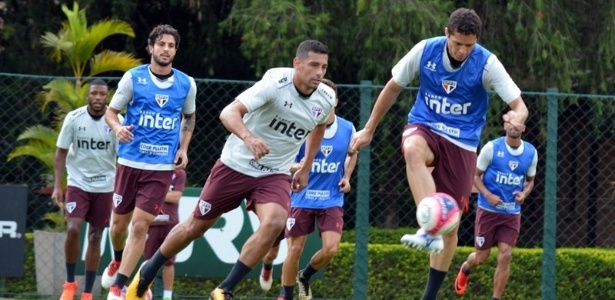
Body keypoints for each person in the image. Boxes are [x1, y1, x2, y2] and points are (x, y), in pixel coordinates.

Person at [127, 39, 335, 300]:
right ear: (297, 64)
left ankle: (225, 289)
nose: (319, 73)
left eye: (324, 67)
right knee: (195, 227)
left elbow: (319, 125)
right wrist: (249, 138)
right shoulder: (274, 84)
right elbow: (228, 113)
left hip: (274, 172)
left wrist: (306, 165)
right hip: (235, 165)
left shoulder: (325, 98)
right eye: (313, 65)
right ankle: (147, 272)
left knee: (275, 222)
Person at [350, 7, 529, 300]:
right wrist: (369, 129)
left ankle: (429, 295)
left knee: (452, 228)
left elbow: (520, 106)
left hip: (463, 143)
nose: (462, 51)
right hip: (425, 125)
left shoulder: (486, 63)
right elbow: (393, 87)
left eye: (468, 46)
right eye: (457, 43)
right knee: (412, 148)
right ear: (447, 34)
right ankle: (427, 226)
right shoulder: (425, 51)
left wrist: (517, 117)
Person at [101, 24, 197, 300]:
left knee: (141, 225)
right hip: (130, 162)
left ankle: (119, 286)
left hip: (160, 167)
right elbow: (111, 112)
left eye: (171, 45)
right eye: (161, 44)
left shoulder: (186, 83)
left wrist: (184, 148)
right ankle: (117, 259)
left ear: (175, 51)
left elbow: (189, 117)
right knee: (118, 226)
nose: (166, 49)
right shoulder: (133, 78)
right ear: (151, 47)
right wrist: (118, 128)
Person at [454, 113, 537, 300]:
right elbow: (474, 175)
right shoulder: (492, 148)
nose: (514, 126)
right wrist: (489, 195)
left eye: (519, 123)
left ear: (523, 128)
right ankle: (466, 267)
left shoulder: (531, 152)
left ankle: (496, 298)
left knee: (505, 256)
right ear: (505, 125)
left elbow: (530, 181)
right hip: (488, 212)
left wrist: (524, 193)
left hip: (511, 213)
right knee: (481, 258)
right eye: (511, 122)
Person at [51, 79, 120, 300]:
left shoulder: (117, 121)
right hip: (78, 183)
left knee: (95, 237)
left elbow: (124, 157)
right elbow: (61, 152)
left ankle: (88, 293)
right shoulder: (74, 118)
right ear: (87, 96)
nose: (98, 98)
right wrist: (56, 186)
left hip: (106, 186)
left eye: (102, 94)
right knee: (73, 229)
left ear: (107, 97)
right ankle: (70, 284)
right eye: (94, 94)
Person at [143, 168, 186, 300]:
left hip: (170, 223)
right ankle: (144, 293)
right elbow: (143, 194)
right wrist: (164, 194)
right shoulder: (152, 170)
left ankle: (167, 297)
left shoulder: (179, 173)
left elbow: (176, 197)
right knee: (148, 262)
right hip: (151, 222)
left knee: (169, 262)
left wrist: (156, 194)